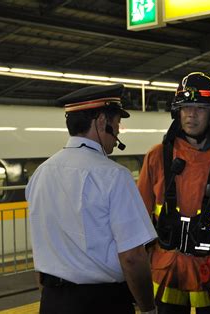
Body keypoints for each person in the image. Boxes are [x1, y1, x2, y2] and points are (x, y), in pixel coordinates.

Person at [26, 84, 158, 314]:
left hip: (52, 300)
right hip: (102, 301)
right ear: (100, 122)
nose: (117, 134)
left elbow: (42, 245)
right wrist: (148, 308)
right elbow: (133, 258)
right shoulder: (114, 176)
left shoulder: (41, 173)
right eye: (117, 124)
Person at [137, 72, 210, 313]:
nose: (191, 115)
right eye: (185, 108)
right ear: (177, 112)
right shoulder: (157, 157)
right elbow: (139, 218)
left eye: (199, 108)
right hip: (166, 272)